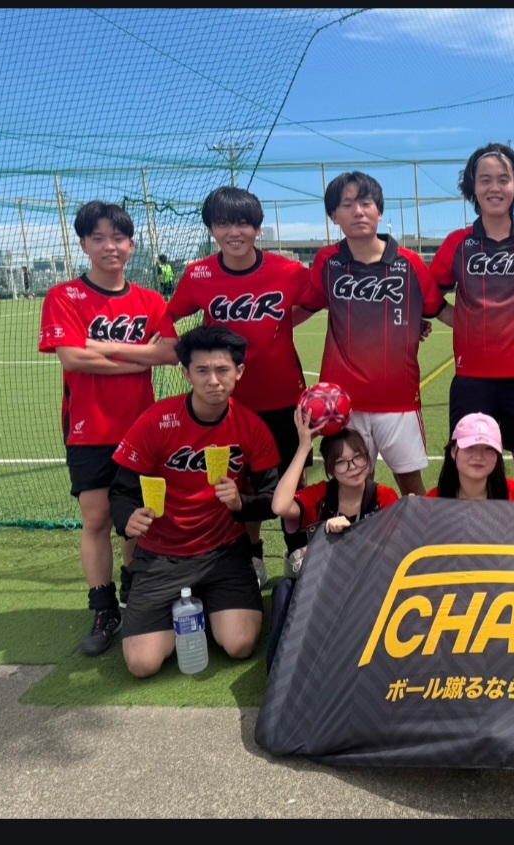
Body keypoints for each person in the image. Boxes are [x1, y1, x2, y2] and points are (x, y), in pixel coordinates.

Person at [38, 200, 178, 657]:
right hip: (89, 429)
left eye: (117, 238)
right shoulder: (64, 296)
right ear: (83, 244)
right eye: (97, 238)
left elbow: (169, 353)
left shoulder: (150, 300)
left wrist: (101, 347)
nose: (109, 246)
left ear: (131, 245)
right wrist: (136, 358)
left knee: (136, 519)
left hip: (141, 429)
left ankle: (133, 592)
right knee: (97, 518)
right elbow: (73, 358)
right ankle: (103, 608)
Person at [108, 325, 281, 679]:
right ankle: (177, 605)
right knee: (142, 664)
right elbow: (121, 490)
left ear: (239, 372)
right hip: (162, 556)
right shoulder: (156, 421)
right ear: (186, 373)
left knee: (240, 644)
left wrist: (241, 504)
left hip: (223, 553)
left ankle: (202, 604)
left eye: (222, 370)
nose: (213, 380)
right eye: (202, 370)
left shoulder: (252, 427)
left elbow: (272, 500)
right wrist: (127, 518)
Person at [168, 186, 313, 586]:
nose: (234, 232)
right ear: (211, 229)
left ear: (258, 228)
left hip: (284, 396)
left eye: (244, 223)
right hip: (228, 403)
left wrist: (283, 322)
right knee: (242, 482)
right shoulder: (198, 274)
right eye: (223, 223)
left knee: (294, 477)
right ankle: (252, 555)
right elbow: (167, 316)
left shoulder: (288, 271)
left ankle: (297, 549)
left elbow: (322, 300)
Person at [298, 170, 454, 498]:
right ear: (334, 216)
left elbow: (441, 311)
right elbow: (306, 306)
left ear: (379, 212)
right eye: (347, 205)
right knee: (353, 487)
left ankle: (417, 534)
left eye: (366, 203)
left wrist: (493, 323)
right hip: (341, 403)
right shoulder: (327, 262)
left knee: (411, 488)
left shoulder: (410, 264)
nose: (358, 211)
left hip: (399, 400)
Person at [428, 143, 514, 502]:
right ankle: (466, 533)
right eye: (485, 179)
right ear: (472, 187)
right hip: (472, 382)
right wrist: (460, 321)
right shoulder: (458, 244)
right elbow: (428, 296)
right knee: (468, 467)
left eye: (503, 179)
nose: (494, 187)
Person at [266, 409, 399, 669]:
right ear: (330, 469)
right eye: (341, 462)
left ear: (368, 458)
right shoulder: (321, 496)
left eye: (358, 457)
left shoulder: (383, 496)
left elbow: (394, 552)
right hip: (323, 589)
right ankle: (278, 673)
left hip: (367, 589)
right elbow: (280, 506)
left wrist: (352, 535)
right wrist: (303, 447)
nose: (353, 467)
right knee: (284, 589)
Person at [426, 413, 514, 501]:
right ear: (453, 451)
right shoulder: (432, 501)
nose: (478, 457)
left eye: (488, 448)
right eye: (470, 447)